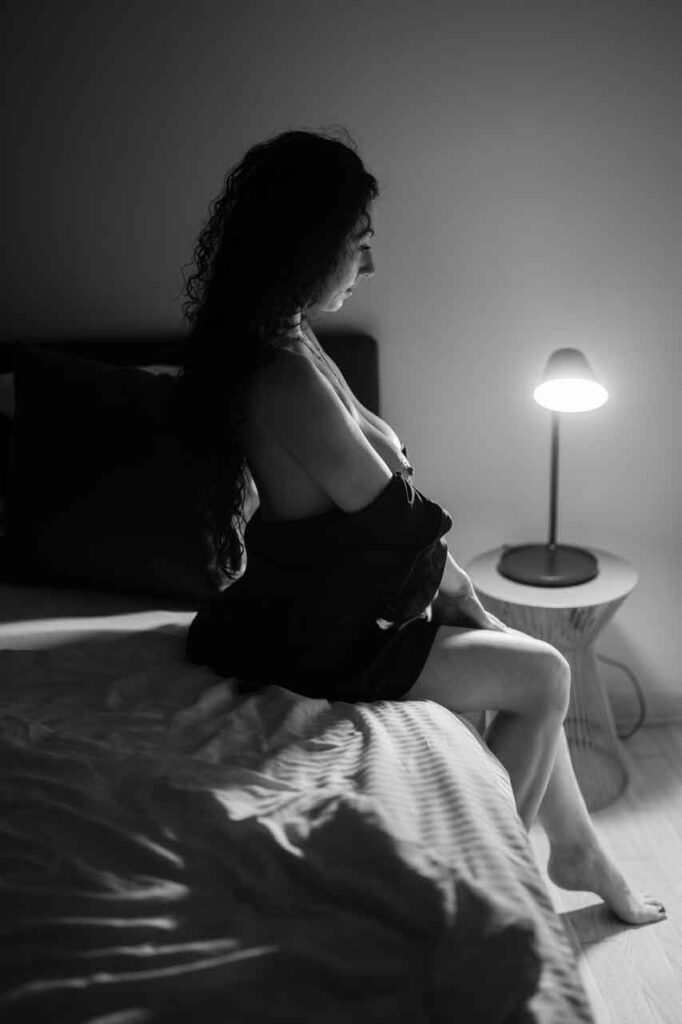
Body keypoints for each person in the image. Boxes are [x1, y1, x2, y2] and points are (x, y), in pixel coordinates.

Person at [178, 128, 665, 926]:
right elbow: (393, 522)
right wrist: (463, 601)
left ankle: (577, 851)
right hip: (322, 639)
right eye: (357, 244)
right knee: (546, 675)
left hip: (330, 608)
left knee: (527, 664)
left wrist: (461, 597)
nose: (367, 266)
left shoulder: (289, 334)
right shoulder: (283, 378)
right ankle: (482, 890)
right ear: (309, 245)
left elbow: (390, 513)